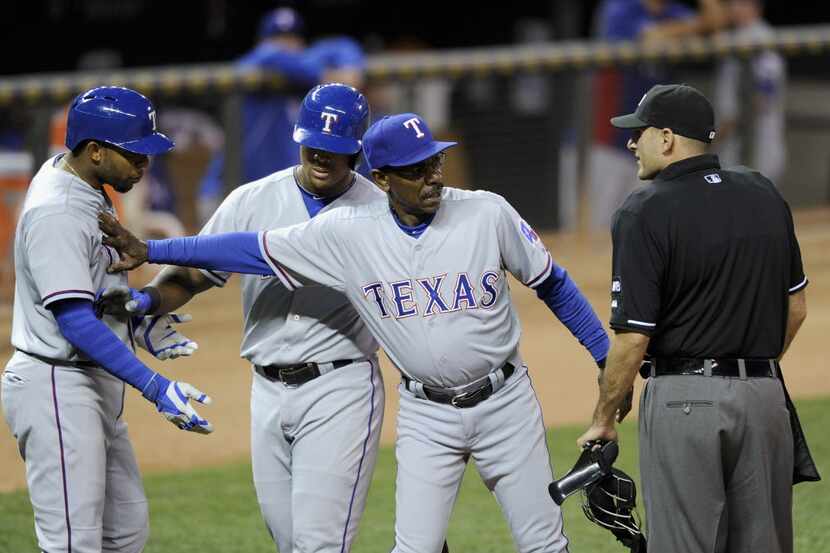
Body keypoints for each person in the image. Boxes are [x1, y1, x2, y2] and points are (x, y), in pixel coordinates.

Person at [98, 112, 611, 553]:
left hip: (506, 404)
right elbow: (247, 248)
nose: (433, 177)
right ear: (384, 178)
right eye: (416, 170)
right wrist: (154, 252)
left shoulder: (486, 212)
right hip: (426, 415)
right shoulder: (349, 233)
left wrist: (609, 359)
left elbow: (555, 285)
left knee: (543, 542)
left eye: (435, 162)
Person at [95, 83, 386, 553]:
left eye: (335, 150)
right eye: (314, 144)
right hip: (267, 392)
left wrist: (151, 250)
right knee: (289, 540)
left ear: (356, 152)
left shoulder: (376, 213)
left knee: (320, 545)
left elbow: (248, 252)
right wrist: (147, 302)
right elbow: (194, 275)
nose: (321, 156)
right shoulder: (253, 199)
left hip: (341, 388)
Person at [577, 83, 817, 553]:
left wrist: (605, 418)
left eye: (639, 133)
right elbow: (796, 306)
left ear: (666, 138)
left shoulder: (643, 211)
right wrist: (748, 366)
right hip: (766, 399)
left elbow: (631, 339)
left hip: (684, 403)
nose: (631, 143)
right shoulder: (763, 192)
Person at [0, 86, 211, 553]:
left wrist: (135, 315)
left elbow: (93, 281)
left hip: (87, 381)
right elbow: (73, 320)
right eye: (134, 155)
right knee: (74, 543)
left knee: (125, 533)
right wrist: (155, 387)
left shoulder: (85, 183)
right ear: (94, 150)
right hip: (57, 384)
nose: (144, 165)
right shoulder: (57, 211)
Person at [197, 6, 366, 221]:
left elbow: (343, 45)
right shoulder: (253, 68)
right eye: (277, 37)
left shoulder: (300, 81)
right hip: (225, 195)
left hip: (265, 200)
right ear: (262, 41)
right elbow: (268, 56)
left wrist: (350, 67)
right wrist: (324, 74)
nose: (286, 44)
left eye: (292, 37)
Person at [588, 0, 726, 229]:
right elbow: (650, 39)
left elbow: (717, 25)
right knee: (600, 228)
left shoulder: (673, 11)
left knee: (646, 227)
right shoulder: (620, 8)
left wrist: (688, 26)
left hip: (655, 144)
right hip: (610, 141)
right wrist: (693, 27)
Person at [713, 0, 787, 182]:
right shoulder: (738, 36)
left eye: (741, 3)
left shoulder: (762, 38)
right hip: (736, 143)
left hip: (756, 145)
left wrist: (716, 137)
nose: (733, 8)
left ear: (756, 7)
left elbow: (761, 97)